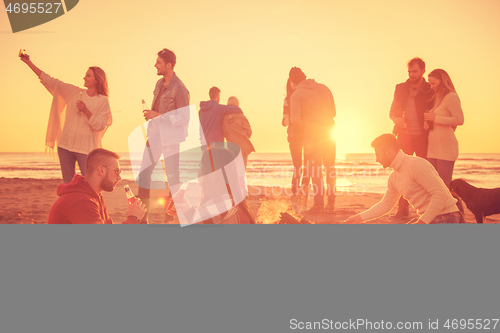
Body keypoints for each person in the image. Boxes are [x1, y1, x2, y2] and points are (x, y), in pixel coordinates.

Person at [20, 52, 112, 183]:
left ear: (97, 80)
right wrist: (28, 63)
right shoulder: (74, 93)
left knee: (91, 184)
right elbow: (50, 81)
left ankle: (91, 204)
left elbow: (101, 125)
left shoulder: (102, 101)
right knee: (68, 184)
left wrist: (86, 111)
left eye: (88, 75)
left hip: (86, 149)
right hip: (65, 146)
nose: (84, 77)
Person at [344, 134, 460, 224]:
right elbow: (386, 205)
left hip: (446, 217)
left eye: (378, 154)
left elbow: (441, 195)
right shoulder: (394, 177)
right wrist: (359, 218)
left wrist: (422, 222)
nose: (376, 160)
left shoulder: (416, 165)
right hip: (430, 219)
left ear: (388, 152)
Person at [137, 48, 190, 223]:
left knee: (173, 180)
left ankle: (169, 219)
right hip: (154, 137)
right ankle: (141, 218)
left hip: (171, 140)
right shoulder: (159, 84)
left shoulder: (180, 89)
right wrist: (152, 117)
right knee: (144, 175)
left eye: (159, 62)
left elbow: (184, 117)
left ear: (169, 65)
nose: (155, 65)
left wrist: (158, 116)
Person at [48, 148, 146, 224]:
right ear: (101, 170)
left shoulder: (95, 197)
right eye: (116, 171)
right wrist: (133, 218)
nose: (119, 177)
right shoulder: (81, 201)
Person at [389, 57, 434, 218]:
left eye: (414, 71)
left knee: (425, 173)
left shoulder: (430, 89)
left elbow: (436, 109)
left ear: (423, 71)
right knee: (402, 172)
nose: (411, 74)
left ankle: (429, 209)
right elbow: (392, 111)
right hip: (404, 137)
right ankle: (402, 210)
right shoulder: (400, 88)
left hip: (423, 137)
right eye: (409, 71)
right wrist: (396, 119)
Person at [289, 67, 336, 214]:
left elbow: (295, 120)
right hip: (329, 134)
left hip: (313, 137)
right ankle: (331, 203)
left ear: (292, 81)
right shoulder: (325, 88)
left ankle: (319, 204)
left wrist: (308, 124)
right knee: (330, 169)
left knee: (316, 171)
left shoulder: (296, 95)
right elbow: (334, 112)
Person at [424, 69, 464, 187]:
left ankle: (455, 206)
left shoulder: (451, 97)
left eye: (433, 83)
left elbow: (459, 120)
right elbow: (436, 120)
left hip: (446, 149)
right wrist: (427, 124)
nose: (431, 87)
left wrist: (435, 118)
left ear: (442, 81)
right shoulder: (437, 98)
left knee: (445, 186)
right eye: (429, 83)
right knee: (434, 184)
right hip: (433, 149)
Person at [282, 78, 307, 197]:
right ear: (289, 84)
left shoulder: (306, 96)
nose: (295, 85)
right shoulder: (287, 100)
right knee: (298, 166)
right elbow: (284, 119)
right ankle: (295, 192)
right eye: (293, 82)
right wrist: (291, 121)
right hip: (294, 136)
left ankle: (304, 192)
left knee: (308, 165)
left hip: (308, 134)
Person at [223, 96, 255, 168]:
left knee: (233, 172)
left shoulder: (224, 119)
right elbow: (249, 131)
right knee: (241, 173)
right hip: (242, 147)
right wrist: (243, 136)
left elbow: (224, 133)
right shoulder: (241, 116)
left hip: (231, 148)